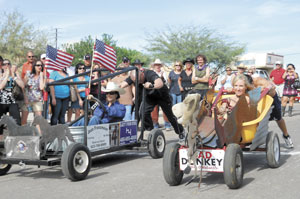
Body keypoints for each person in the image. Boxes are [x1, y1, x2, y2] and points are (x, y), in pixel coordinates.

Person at [121, 65, 185, 139]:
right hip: (150, 97)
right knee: (143, 113)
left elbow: (160, 83)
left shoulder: (149, 73)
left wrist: (151, 85)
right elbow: (123, 84)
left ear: (142, 74)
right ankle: (150, 131)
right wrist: (115, 89)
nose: (139, 82)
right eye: (136, 82)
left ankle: (180, 131)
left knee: (170, 116)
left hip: (162, 96)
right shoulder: (133, 76)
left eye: (140, 80)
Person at [249, 75, 294, 148]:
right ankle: (253, 137)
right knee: (256, 119)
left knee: (278, 118)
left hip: (271, 98)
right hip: (255, 100)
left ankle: (286, 135)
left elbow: (272, 86)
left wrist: (262, 89)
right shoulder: (241, 82)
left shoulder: (259, 80)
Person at [0, 60, 24, 138]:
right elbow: (1, 87)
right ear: (2, 66)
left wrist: (14, 76)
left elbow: (22, 85)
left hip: (12, 101)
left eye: (8, 64)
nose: (6, 66)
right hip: (2, 102)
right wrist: (6, 75)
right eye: (4, 64)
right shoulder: (0, 74)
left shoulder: (14, 75)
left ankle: (15, 141)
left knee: (16, 122)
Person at [21, 61, 45, 125]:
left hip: (38, 100)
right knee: (24, 119)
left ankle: (39, 134)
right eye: (38, 65)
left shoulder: (42, 75)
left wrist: (42, 76)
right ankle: (22, 133)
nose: (40, 67)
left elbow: (41, 87)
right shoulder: (28, 74)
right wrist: (25, 97)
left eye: (41, 65)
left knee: (39, 119)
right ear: (34, 66)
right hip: (27, 99)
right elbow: (23, 86)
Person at [151, 59, 171, 130]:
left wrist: (162, 78)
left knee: (165, 109)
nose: (157, 66)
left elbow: (167, 83)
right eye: (156, 65)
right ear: (154, 66)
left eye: (159, 65)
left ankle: (167, 124)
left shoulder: (164, 73)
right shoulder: (151, 73)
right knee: (154, 110)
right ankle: (155, 124)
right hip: (154, 93)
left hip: (163, 93)